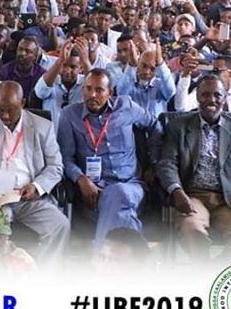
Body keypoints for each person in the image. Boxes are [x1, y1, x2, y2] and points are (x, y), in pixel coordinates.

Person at [157, 75, 231, 259]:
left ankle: (218, 273)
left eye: (217, 95)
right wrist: (176, 191)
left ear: (224, 98)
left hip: (230, 200)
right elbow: (167, 163)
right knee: (193, 231)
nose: (211, 100)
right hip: (192, 197)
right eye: (205, 95)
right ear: (197, 97)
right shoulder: (178, 127)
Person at [0, 82, 69, 262]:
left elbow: (55, 166)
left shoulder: (43, 126)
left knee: (60, 225)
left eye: (10, 110)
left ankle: (41, 273)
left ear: (23, 103)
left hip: (28, 198)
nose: (5, 116)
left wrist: (36, 186)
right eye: (0, 110)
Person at [56, 69, 161, 249]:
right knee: (121, 208)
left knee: (119, 192)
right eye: (88, 89)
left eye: (99, 90)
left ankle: (100, 255)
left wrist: (154, 162)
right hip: (94, 192)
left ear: (110, 92)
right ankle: (136, 258)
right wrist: (81, 179)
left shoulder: (126, 106)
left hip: (132, 186)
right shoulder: (69, 115)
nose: (92, 95)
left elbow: (154, 125)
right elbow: (65, 157)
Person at [175, 54, 231, 127]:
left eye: (216, 71)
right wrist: (185, 76)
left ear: (230, 74)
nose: (213, 74)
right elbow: (181, 108)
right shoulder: (203, 91)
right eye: (211, 71)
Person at [114, 47, 175, 124]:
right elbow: (121, 93)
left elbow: (170, 91)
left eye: (152, 69)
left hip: (157, 127)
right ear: (138, 62)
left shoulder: (161, 84)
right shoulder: (129, 80)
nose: (146, 71)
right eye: (144, 66)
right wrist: (132, 65)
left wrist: (161, 64)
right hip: (132, 127)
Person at [33, 41, 85, 125]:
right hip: (52, 131)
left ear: (81, 68)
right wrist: (60, 60)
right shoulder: (51, 79)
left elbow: (96, 87)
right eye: (64, 65)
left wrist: (86, 61)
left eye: (72, 67)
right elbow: (39, 93)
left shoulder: (85, 82)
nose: (68, 70)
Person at [0, 36, 44, 101]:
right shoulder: (5, 70)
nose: (22, 53)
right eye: (20, 49)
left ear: (35, 57)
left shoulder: (41, 75)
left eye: (27, 51)